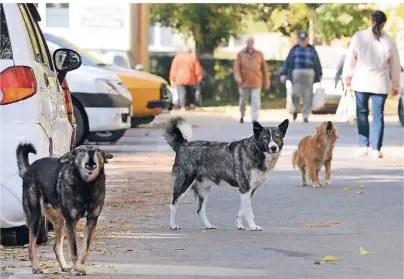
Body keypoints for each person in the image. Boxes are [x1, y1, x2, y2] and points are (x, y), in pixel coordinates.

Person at [343, 10, 401, 159]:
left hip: (361, 80)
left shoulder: (359, 37)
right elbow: (395, 65)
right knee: (378, 115)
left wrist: (348, 76)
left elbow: (350, 58)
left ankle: (363, 145)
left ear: (371, 21)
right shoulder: (388, 41)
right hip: (380, 82)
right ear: (384, 23)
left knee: (362, 114)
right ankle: (376, 148)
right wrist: (395, 85)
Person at [280, 32, 323, 123]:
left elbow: (317, 62)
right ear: (299, 40)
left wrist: (319, 74)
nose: (303, 42)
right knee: (295, 93)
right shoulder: (294, 49)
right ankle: (295, 109)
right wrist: (283, 73)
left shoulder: (311, 49)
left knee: (307, 94)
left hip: (309, 72)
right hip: (296, 72)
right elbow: (288, 62)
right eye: (301, 40)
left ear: (307, 40)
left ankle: (305, 115)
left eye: (305, 40)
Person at [234, 36, 270, 123]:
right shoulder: (241, 54)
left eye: (251, 42)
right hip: (244, 82)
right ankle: (242, 115)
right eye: (248, 42)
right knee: (243, 100)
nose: (250, 44)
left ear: (253, 43)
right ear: (246, 43)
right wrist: (238, 78)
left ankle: (254, 118)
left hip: (256, 81)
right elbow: (236, 68)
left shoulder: (259, 54)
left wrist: (267, 81)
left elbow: (265, 69)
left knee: (255, 101)